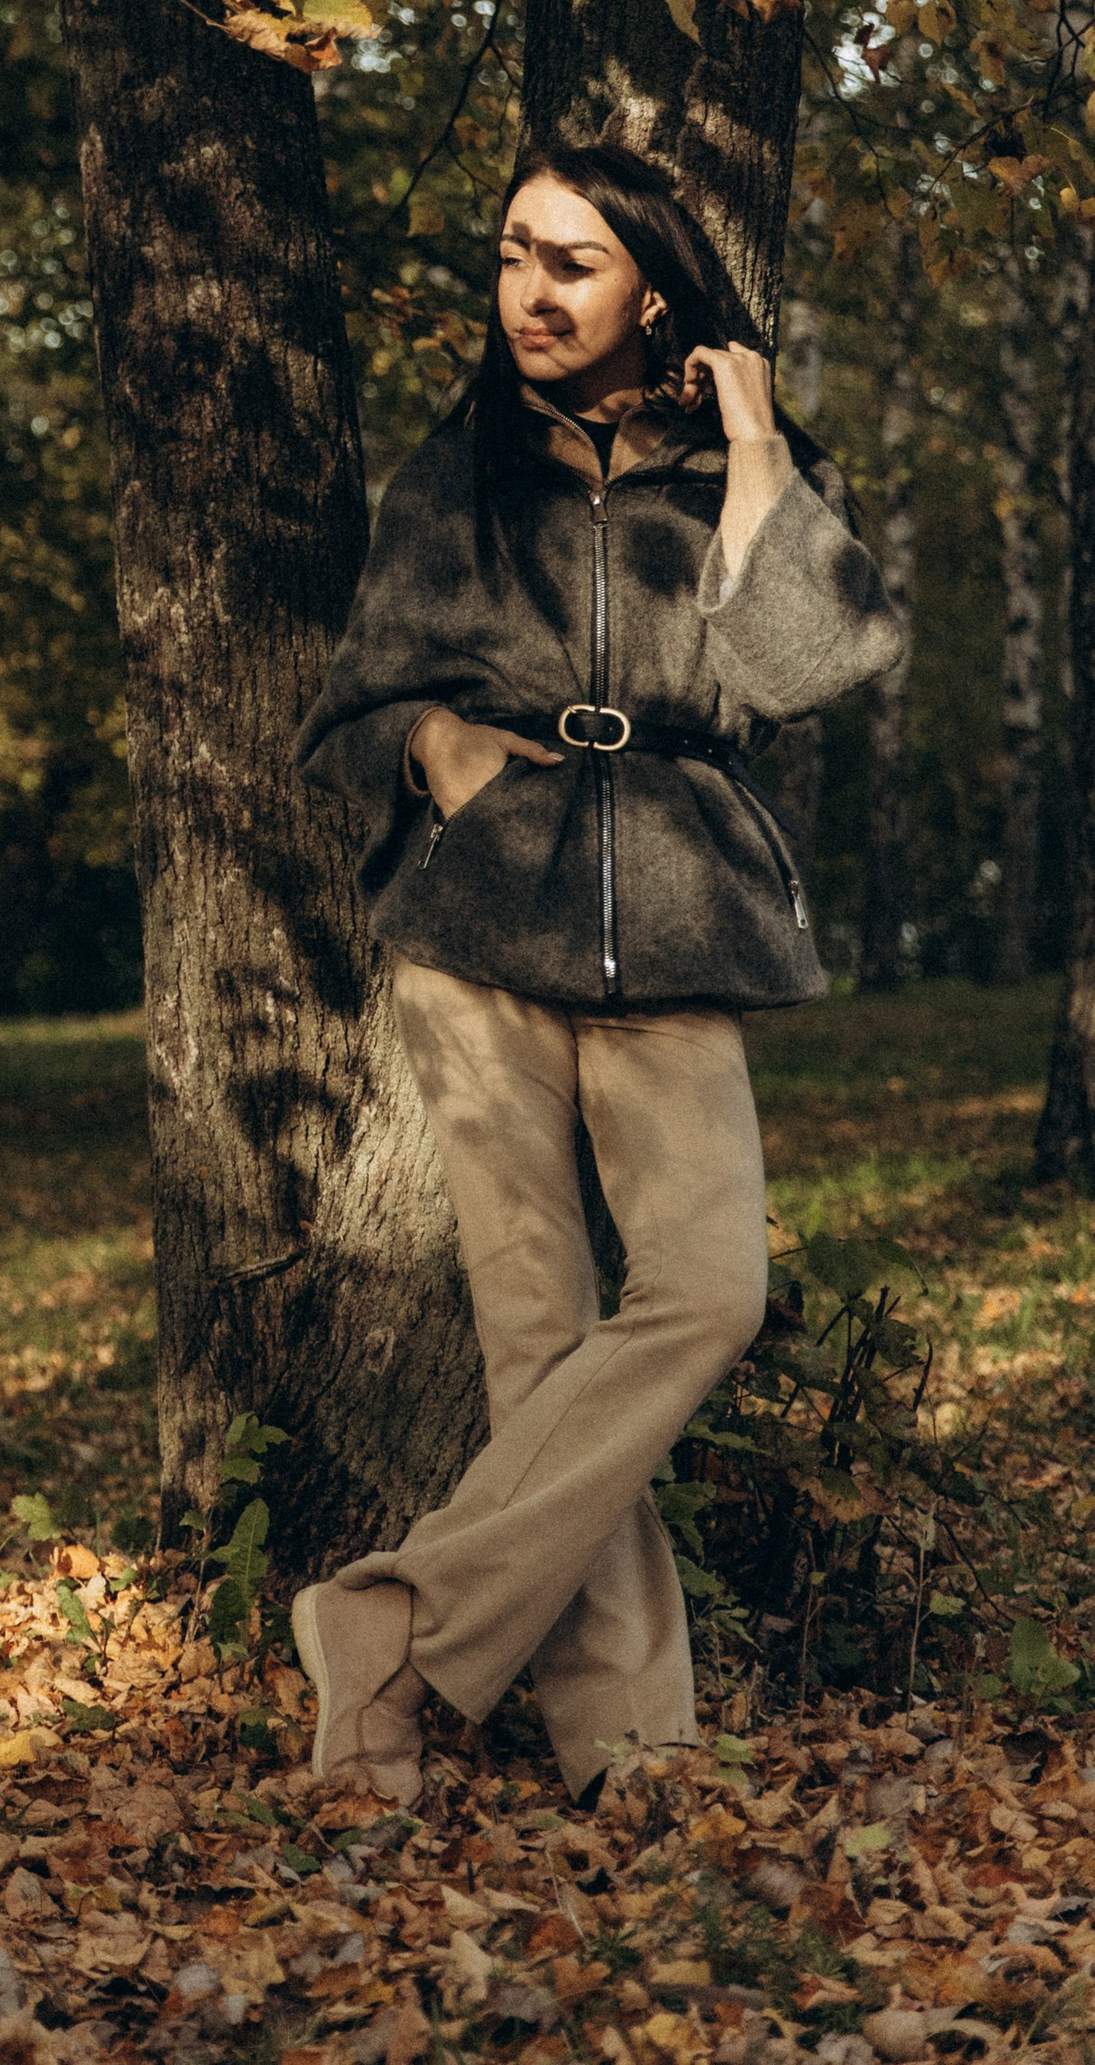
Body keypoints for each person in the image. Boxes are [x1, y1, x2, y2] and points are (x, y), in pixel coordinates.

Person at [286, 137, 902, 1808]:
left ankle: (379, 1632)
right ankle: (630, 1747)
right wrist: (429, 740)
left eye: (570, 262)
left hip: (680, 911)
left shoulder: (735, 470)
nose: (532, 292)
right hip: (481, 923)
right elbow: (338, 710)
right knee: (539, 1341)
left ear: (653, 289)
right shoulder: (458, 470)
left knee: (708, 1292)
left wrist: (761, 442)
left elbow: (814, 657)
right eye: (511, 255)